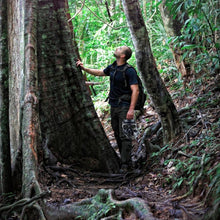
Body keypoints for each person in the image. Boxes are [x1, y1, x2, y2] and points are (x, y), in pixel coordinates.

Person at [76, 46, 139, 172]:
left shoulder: (130, 71)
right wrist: (84, 68)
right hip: (114, 105)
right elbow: (100, 73)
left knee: (126, 134)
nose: (117, 48)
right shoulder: (113, 66)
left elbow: (135, 90)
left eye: (120, 48)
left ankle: (127, 164)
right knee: (117, 132)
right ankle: (123, 160)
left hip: (125, 106)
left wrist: (131, 109)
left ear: (123, 56)